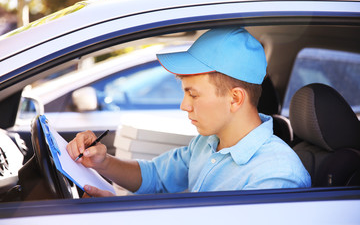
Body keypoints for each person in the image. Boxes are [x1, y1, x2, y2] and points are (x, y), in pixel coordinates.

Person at [66, 27, 311, 197]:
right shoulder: (207, 144)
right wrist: (102, 162)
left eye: (193, 94)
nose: (184, 105)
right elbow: (155, 177)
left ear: (235, 98)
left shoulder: (277, 176)